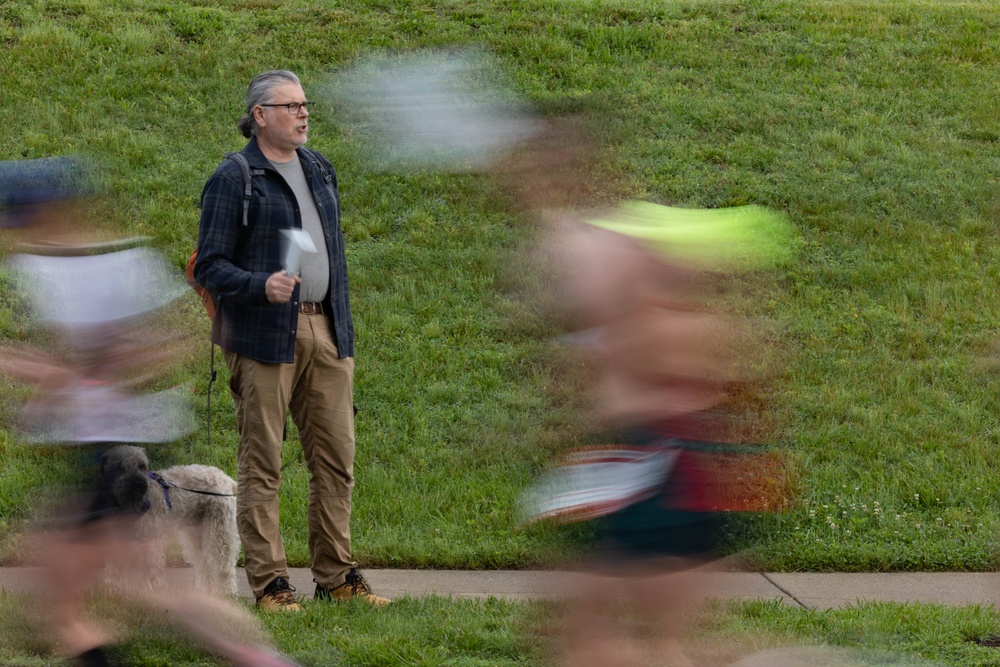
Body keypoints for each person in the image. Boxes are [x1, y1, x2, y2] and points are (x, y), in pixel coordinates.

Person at [194, 70, 389, 611]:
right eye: (290, 105)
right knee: (264, 462)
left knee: (335, 458)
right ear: (260, 115)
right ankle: (271, 583)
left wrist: (337, 328)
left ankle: (338, 576)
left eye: (306, 104)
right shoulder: (235, 177)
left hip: (326, 327)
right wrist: (261, 285)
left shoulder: (319, 168)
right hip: (262, 336)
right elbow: (208, 265)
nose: (304, 113)